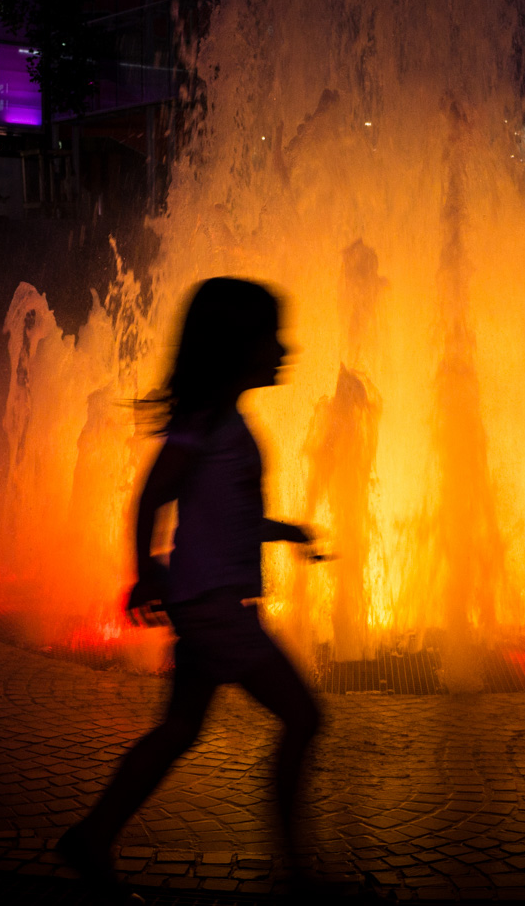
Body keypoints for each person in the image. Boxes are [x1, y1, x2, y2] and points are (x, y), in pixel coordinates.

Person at [56, 277, 324, 898]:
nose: (284, 349)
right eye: (271, 337)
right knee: (305, 717)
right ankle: (299, 871)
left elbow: (223, 513)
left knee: (179, 730)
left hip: (206, 605)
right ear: (237, 347)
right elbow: (153, 493)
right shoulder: (204, 425)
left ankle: (93, 835)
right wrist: (145, 570)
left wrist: (285, 530)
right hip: (214, 611)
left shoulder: (221, 421)